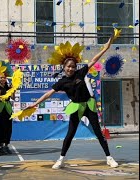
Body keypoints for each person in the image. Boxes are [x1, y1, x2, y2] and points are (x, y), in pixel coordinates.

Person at [27, 36, 118, 169]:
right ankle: (61, 159)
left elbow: (94, 60)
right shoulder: (62, 82)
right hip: (76, 108)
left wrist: (106, 48)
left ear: (75, 68)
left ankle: (109, 158)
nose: (70, 69)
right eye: (68, 67)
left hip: (88, 105)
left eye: (73, 67)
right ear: (64, 67)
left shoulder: (80, 73)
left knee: (98, 133)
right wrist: (35, 104)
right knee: (70, 134)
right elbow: (48, 94)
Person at [0, 72, 14, 155]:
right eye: (1, 77)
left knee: (8, 127)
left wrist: (13, 90)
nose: (3, 79)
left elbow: (13, 98)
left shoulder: (8, 87)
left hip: (7, 108)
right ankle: (0, 145)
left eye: (4, 77)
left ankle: (6, 145)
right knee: (1, 127)